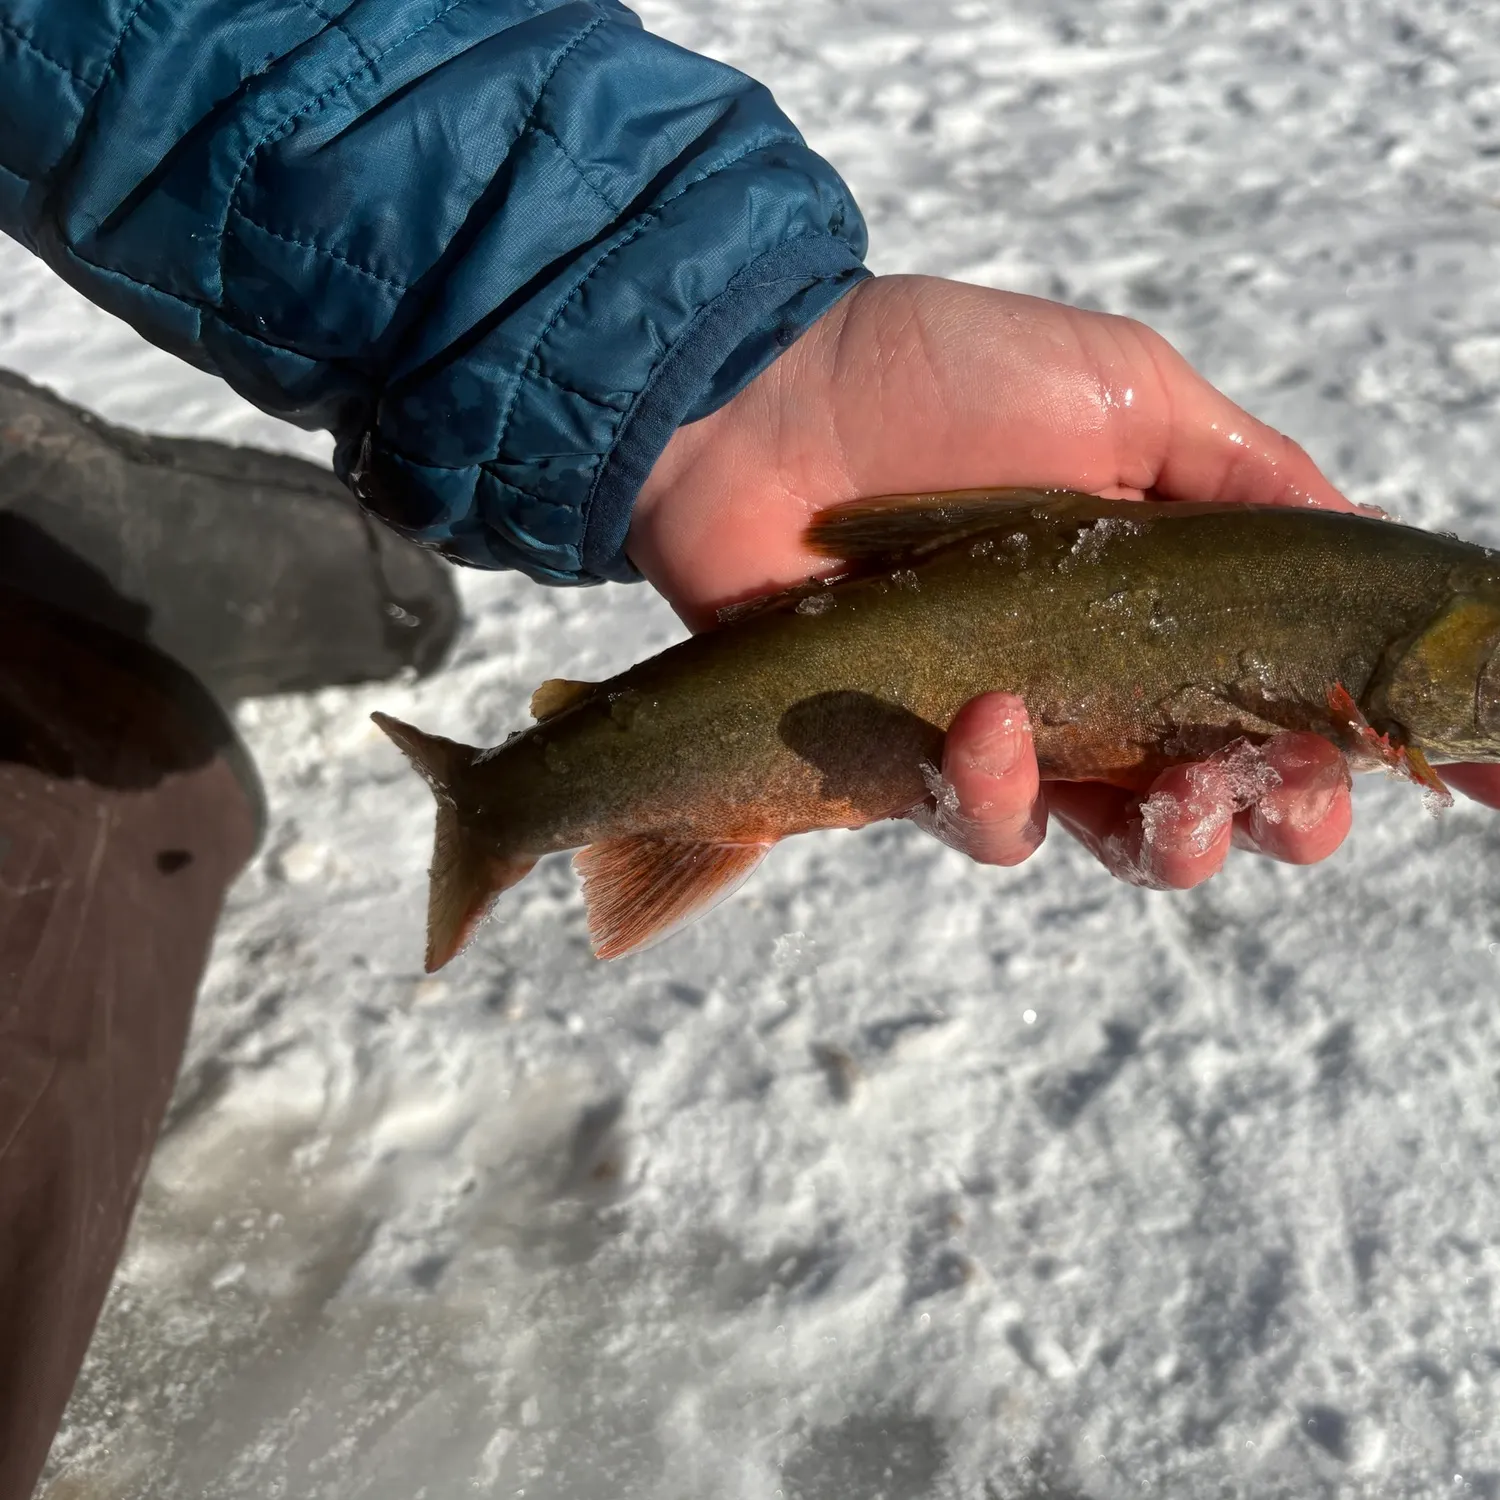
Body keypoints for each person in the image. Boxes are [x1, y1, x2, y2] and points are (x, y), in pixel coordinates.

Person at [2, 0, 1496, 1493]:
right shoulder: (1404, 622)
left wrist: (746, 378)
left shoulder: (1402, 624)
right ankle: (519, 800)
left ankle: (526, 799)